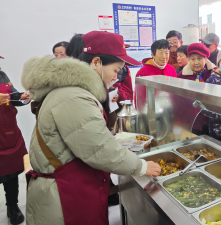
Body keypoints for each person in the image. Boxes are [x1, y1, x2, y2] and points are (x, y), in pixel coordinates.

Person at [22, 31, 161, 225]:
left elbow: (83, 138)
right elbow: (99, 150)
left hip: (65, 188)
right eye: (116, 69)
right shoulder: (75, 96)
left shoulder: (73, 90)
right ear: (96, 62)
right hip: (63, 197)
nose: (117, 76)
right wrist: (141, 166)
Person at [0, 56, 30, 225]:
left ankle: (13, 207)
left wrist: (23, 97)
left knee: (11, 175)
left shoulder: (2, 75)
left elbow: (13, 97)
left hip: (8, 133)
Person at [177, 43, 216, 135]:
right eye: (192, 59)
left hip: (211, 119)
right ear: (188, 60)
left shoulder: (214, 73)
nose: (196, 62)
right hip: (191, 120)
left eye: (199, 58)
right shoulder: (182, 76)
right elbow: (177, 99)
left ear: (206, 59)